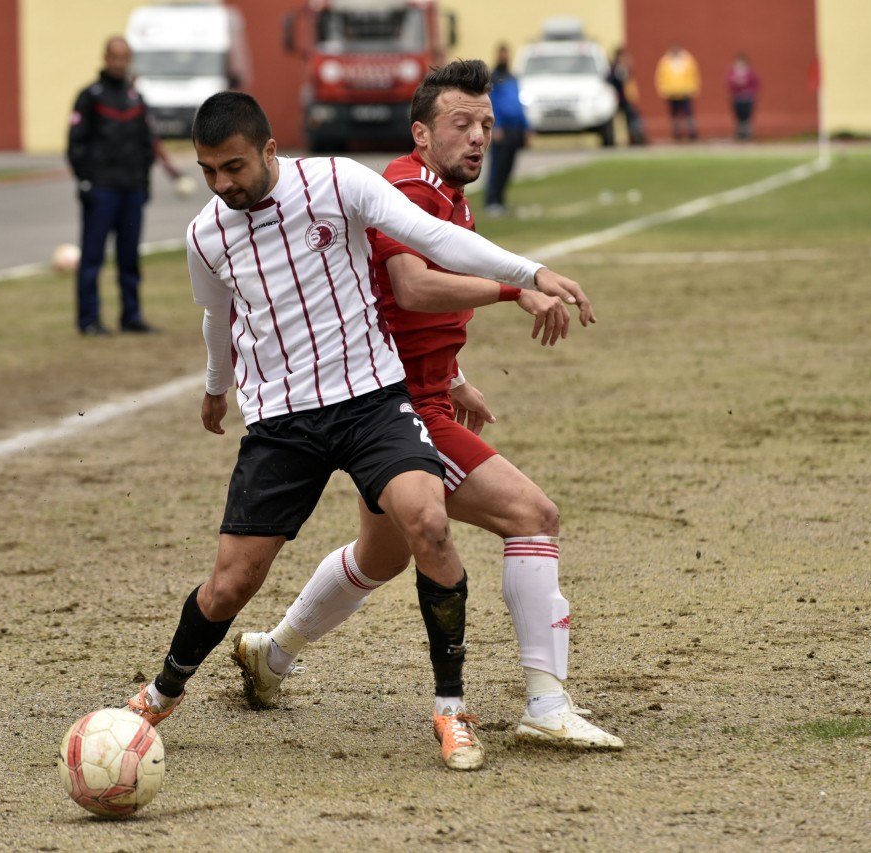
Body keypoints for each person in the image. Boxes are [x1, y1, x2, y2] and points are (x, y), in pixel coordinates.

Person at [124, 90, 591, 771]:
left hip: (371, 400)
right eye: (208, 171)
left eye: (234, 167)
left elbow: (432, 239)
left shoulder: (336, 182)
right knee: (232, 583)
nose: (223, 184)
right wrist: (216, 385)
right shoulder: (205, 233)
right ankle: (163, 691)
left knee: (426, 524)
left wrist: (529, 273)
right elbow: (214, 313)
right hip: (282, 421)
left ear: (270, 151)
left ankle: (451, 710)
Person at [230, 60, 623, 754]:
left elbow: (392, 304)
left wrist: (458, 371)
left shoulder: (448, 194)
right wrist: (514, 289)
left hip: (419, 391)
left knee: (380, 555)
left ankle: (273, 653)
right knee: (533, 515)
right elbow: (412, 285)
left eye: (487, 125)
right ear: (422, 131)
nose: (478, 137)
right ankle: (547, 702)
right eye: (460, 124)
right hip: (396, 408)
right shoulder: (408, 186)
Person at [66, 36, 184, 336]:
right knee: (92, 257)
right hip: (102, 189)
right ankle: (89, 319)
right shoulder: (90, 96)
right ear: (105, 58)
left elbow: (148, 145)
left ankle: (131, 316)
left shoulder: (136, 98)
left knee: (129, 257)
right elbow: (75, 144)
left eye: (124, 57)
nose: (119, 62)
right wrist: (86, 181)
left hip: (132, 190)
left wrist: (144, 186)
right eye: (114, 56)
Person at [484, 43, 530, 216]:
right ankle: (491, 201)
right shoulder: (494, 78)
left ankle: (501, 201)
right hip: (501, 129)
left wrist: (526, 126)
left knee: (509, 167)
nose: (504, 57)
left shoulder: (512, 77)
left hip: (515, 128)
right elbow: (492, 104)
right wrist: (495, 126)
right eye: (502, 54)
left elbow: (518, 104)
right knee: (498, 166)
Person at [654, 42, 700, 141]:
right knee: (674, 115)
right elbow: (660, 77)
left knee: (688, 114)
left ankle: (692, 133)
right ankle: (676, 133)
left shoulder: (687, 60)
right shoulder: (665, 61)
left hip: (685, 91)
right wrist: (663, 89)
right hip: (671, 92)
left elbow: (693, 75)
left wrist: (693, 88)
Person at [608, 47, 648, 146]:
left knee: (632, 117)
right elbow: (613, 82)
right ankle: (635, 138)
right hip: (619, 99)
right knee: (630, 117)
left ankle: (636, 138)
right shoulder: (614, 69)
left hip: (626, 99)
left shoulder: (623, 68)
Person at [727, 53, 761, 140]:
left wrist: (749, 92)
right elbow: (729, 83)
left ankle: (747, 136)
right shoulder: (733, 72)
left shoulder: (750, 73)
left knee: (746, 118)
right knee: (739, 118)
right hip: (737, 98)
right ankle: (740, 135)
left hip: (747, 99)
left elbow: (756, 84)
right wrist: (736, 83)